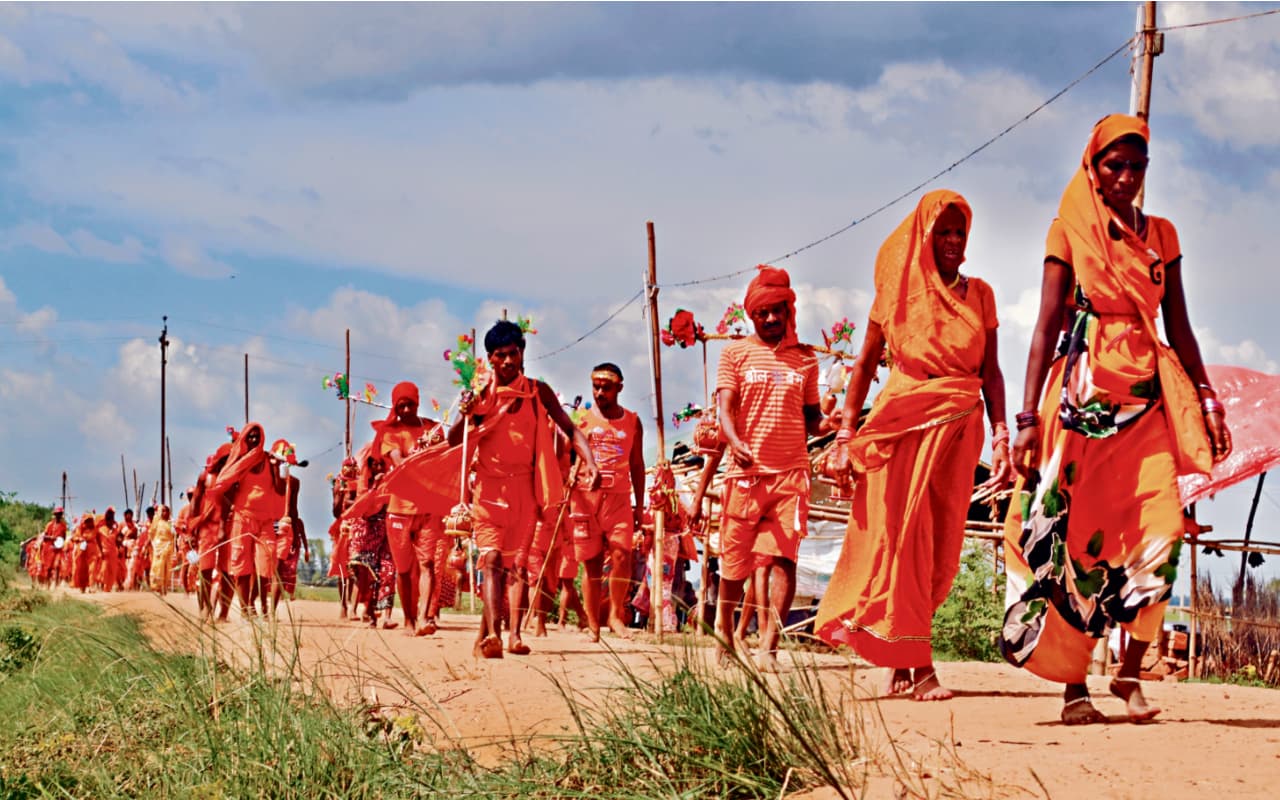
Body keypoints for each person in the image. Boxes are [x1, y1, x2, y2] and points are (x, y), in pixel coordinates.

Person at [1004, 114, 1231, 725]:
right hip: (1080, 402)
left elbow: (1178, 325)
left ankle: (1128, 675)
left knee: (1162, 530)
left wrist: (1206, 399)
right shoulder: (1069, 230)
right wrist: (1026, 418)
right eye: (1115, 165)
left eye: (1138, 167)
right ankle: (1073, 685)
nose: (1127, 177)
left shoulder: (1162, 234)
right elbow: (1046, 325)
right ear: (1093, 168)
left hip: (1147, 399)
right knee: (1075, 541)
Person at [813, 190, 1010, 699]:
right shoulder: (896, 297)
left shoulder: (981, 295)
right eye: (941, 232)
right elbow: (863, 365)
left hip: (961, 431)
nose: (951, 241)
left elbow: (991, 372)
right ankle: (920, 668)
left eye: (959, 233)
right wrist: (844, 433)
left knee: (942, 548)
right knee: (904, 542)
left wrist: (1004, 433)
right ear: (922, 238)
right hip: (903, 430)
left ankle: (899, 652)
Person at [448, 319, 599, 658]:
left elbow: (570, 429)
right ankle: (496, 636)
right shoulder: (479, 396)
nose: (507, 362)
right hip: (487, 492)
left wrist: (589, 461)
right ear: (489, 358)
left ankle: (506, 635)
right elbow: (453, 439)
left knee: (514, 567)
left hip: (526, 493)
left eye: (513, 354)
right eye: (500, 356)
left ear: (523, 354)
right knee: (490, 560)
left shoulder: (537, 392)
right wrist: (464, 412)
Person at [714, 265, 826, 671]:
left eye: (779, 310)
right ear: (752, 314)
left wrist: (837, 423)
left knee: (784, 561)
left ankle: (769, 648)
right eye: (764, 312)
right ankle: (725, 632)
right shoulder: (735, 354)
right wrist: (734, 439)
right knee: (733, 565)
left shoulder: (806, 360)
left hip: (791, 474)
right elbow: (725, 408)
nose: (772, 318)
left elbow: (813, 420)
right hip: (745, 475)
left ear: (788, 309)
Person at [569, 363, 645, 642]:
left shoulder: (633, 421)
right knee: (590, 563)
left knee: (622, 555)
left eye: (606, 387)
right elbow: (566, 456)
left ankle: (615, 615)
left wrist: (640, 504)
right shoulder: (581, 420)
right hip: (586, 499)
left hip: (620, 498)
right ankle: (592, 624)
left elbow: (637, 464)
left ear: (619, 388)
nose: (600, 392)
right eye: (596, 387)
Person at [209, 422, 288, 617]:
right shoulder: (238, 461)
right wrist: (228, 513)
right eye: (250, 436)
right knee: (241, 564)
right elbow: (223, 486)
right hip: (241, 518)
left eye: (257, 436)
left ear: (262, 438)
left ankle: (260, 605)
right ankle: (245, 610)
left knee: (267, 563)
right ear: (245, 439)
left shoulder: (269, 460)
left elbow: (279, 489)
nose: (254, 439)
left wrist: (277, 469)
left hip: (265, 520)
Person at [192, 445, 235, 621]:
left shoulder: (234, 477)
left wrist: (224, 527)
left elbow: (230, 503)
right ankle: (204, 608)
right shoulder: (205, 477)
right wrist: (192, 526)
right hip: (207, 529)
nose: (227, 463)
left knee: (227, 572)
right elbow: (195, 501)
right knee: (205, 570)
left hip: (229, 529)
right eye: (224, 459)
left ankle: (223, 612)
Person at [329, 457, 359, 619]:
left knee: (355, 566)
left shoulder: (360, 482)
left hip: (357, 525)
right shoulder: (339, 483)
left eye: (353, 467)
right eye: (348, 467)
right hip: (342, 528)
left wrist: (352, 499)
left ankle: (352, 606)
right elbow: (335, 511)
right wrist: (339, 494)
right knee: (341, 568)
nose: (351, 470)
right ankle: (343, 604)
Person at [149, 505, 175, 595]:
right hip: (158, 547)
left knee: (167, 568)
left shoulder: (171, 523)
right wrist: (154, 544)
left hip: (168, 547)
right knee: (158, 566)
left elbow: (173, 536)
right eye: (163, 511)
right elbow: (151, 533)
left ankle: (164, 587)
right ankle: (157, 586)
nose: (165, 513)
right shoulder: (157, 522)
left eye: (167, 511)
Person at [96, 507, 120, 593]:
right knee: (104, 570)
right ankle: (102, 586)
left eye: (112, 518)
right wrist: (100, 551)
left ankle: (108, 588)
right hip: (104, 553)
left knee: (112, 571)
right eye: (109, 518)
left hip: (113, 553)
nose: (110, 521)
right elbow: (97, 541)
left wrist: (119, 547)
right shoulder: (100, 530)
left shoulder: (115, 530)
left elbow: (118, 540)